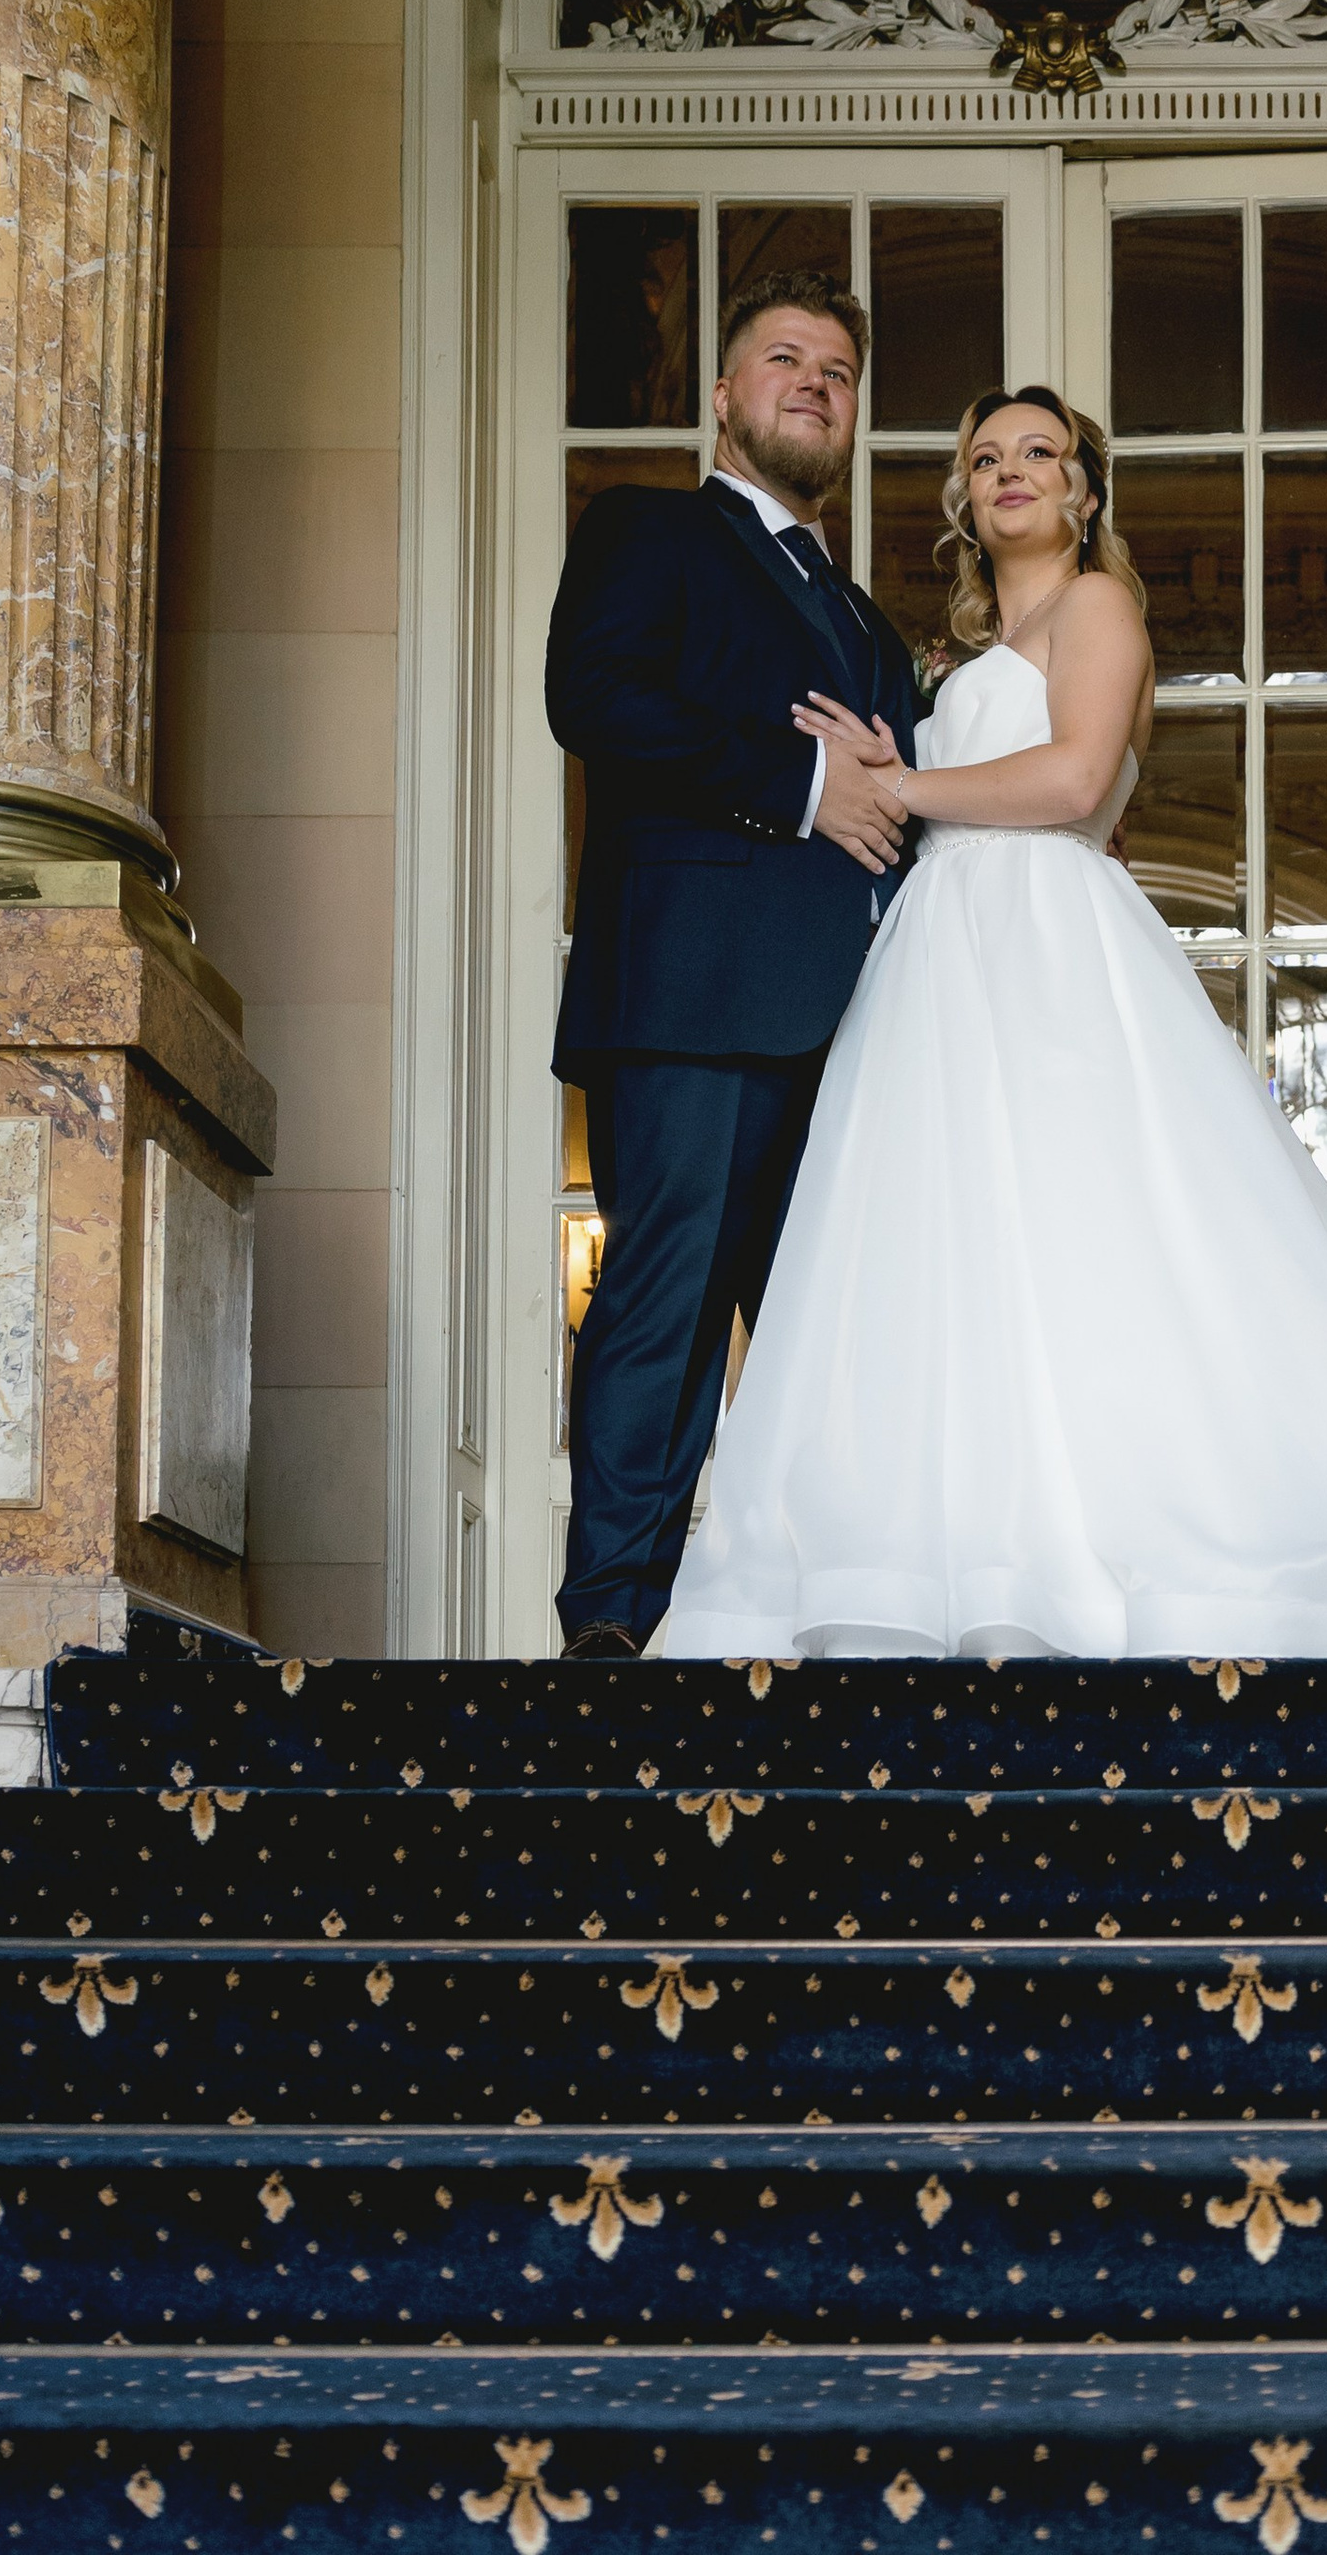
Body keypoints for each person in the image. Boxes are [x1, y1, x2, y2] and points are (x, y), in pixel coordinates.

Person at [666, 383, 1327, 1660]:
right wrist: (894, 750)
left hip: (1045, 942)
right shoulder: (944, 663)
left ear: (1083, 493)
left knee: (1091, 1234)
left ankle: (1114, 1553)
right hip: (941, 960)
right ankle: (967, 1558)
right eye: (985, 457)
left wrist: (899, 779)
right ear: (961, 501)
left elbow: (1076, 775)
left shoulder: (1100, 605)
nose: (1012, 470)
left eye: (1042, 453)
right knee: (954, 1254)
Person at [545, 270, 925, 1658]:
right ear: (724, 395)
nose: (816, 381)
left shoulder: (874, 627)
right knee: (667, 1300)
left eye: (838, 369)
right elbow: (593, 697)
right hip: (692, 995)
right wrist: (803, 780)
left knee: (834, 1339)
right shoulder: (650, 531)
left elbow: (897, 809)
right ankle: (615, 1624)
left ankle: (830, 1621)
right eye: (785, 358)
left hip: (850, 1030)